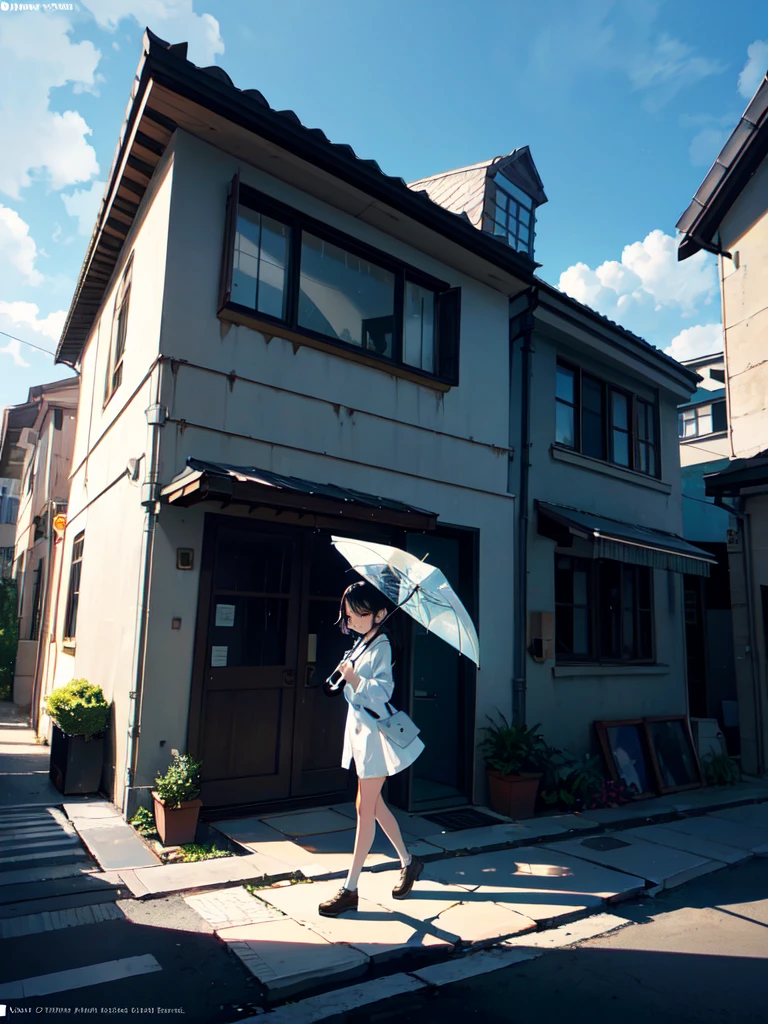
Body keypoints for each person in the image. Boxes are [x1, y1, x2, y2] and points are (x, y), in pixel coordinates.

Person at [319, 580, 425, 918]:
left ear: (379, 613)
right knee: (373, 806)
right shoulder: (362, 643)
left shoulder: (382, 645)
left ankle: (350, 889)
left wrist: (354, 679)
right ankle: (409, 862)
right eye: (348, 615)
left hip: (376, 737)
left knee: (366, 810)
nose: (350, 621)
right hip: (362, 735)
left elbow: (382, 691)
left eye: (357, 614)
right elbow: (352, 690)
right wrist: (345, 676)